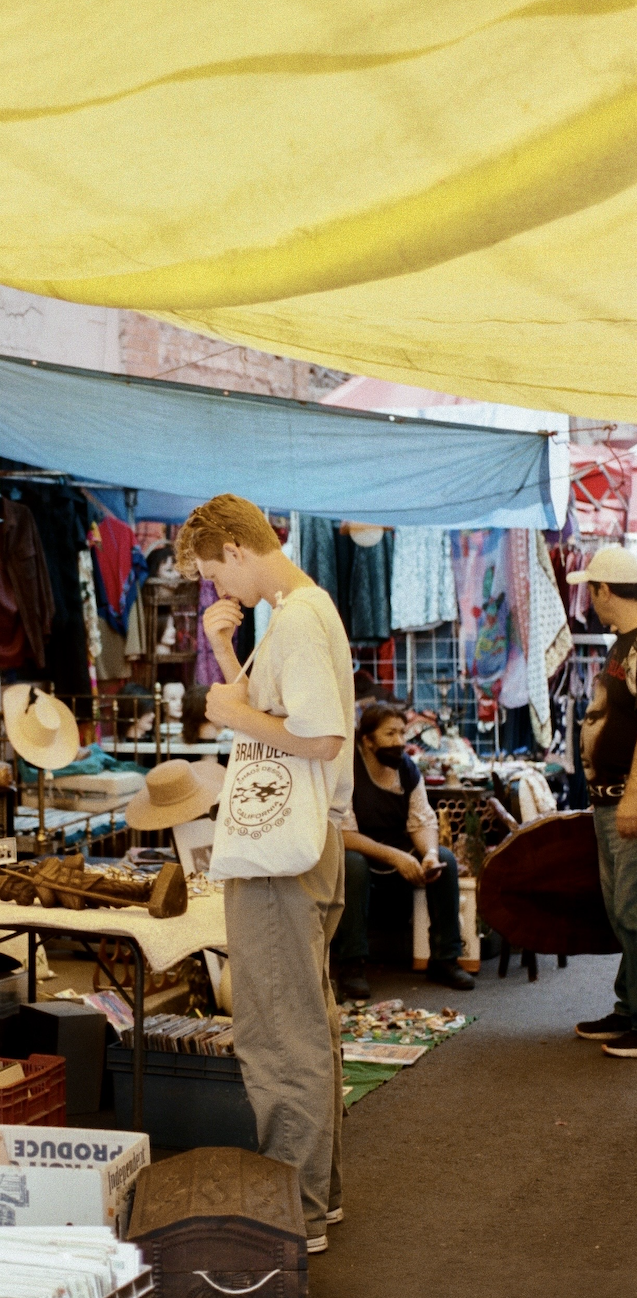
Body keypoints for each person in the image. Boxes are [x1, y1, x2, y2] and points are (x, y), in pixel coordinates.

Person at [175, 494, 353, 1255]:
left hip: (286, 855)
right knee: (302, 1026)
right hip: (295, 846)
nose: (218, 588)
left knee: (280, 1037)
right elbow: (280, 725)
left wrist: (229, 711)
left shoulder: (302, 616)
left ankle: (300, 1211)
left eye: (215, 571)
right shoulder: (294, 613)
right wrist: (225, 658)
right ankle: (319, 1196)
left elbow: (317, 738)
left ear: (237, 549)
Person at [334, 703, 474, 1001]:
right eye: (390, 734)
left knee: (446, 859)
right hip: (362, 850)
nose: (399, 741)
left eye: (402, 733)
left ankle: (444, 959)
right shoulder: (346, 771)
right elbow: (344, 835)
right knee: (352, 864)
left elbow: (422, 821)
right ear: (367, 741)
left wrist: (430, 855)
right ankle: (352, 965)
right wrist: (396, 857)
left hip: (400, 848)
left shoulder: (408, 770)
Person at [567, 545, 637, 1057]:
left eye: (590, 588)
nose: (588, 598)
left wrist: (633, 796)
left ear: (603, 589)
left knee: (633, 911)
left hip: (627, 801)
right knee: (622, 911)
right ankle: (627, 1009)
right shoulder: (623, 646)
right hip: (609, 800)